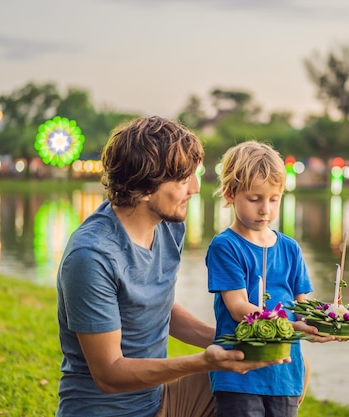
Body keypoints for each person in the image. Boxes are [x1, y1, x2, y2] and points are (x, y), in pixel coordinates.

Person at [56, 116, 289, 417]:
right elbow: (109, 374)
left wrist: (240, 342)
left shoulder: (168, 226)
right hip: (107, 410)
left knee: (283, 375)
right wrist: (206, 361)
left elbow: (158, 308)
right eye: (182, 179)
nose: (194, 187)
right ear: (143, 188)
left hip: (159, 402)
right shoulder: (92, 256)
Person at [206, 140, 336, 417]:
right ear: (230, 193)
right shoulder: (226, 246)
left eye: (274, 199)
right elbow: (238, 307)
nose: (265, 209)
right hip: (239, 373)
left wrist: (325, 321)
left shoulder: (290, 248)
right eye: (255, 199)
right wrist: (286, 324)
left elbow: (302, 308)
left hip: (285, 371)